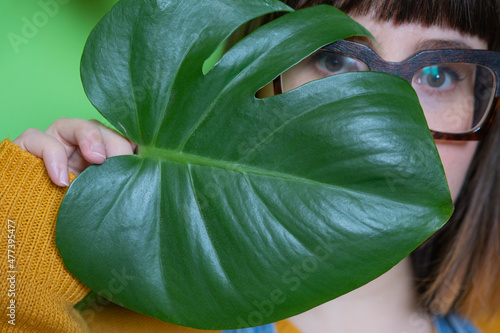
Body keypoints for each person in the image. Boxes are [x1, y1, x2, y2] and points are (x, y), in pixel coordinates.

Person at [2, 0, 499, 332]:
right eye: (334, 60)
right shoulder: (124, 306)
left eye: (439, 73)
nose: (371, 124)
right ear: (256, 77)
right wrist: (25, 226)